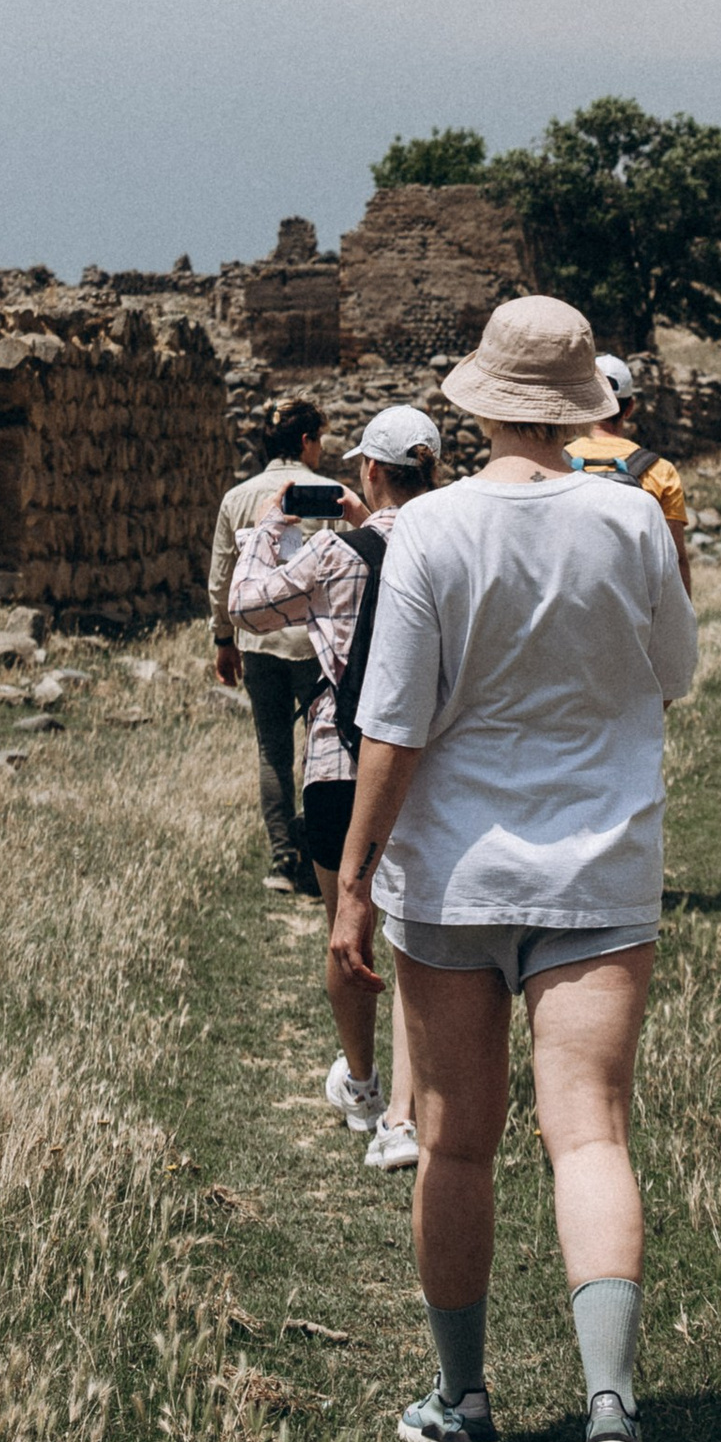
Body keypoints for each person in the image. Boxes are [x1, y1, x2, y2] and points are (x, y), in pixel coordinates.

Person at [331, 295, 698, 1442]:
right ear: (582, 404)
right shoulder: (632, 516)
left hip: (454, 873)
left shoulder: (431, 526)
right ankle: (611, 1405)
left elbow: (394, 723)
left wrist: (351, 880)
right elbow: (674, 672)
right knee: (587, 1135)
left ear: (479, 403)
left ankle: (462, 1397)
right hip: (598, 865)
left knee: (456, 1141)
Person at [223, 405, 440, 1169]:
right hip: (428, 765)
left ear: (369, 470)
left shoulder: (334, 553)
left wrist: (273, 526)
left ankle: (363, 1081)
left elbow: (248, 605)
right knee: (415, 939)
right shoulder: (452, 544)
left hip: (341, 759)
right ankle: (406, 1115)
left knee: (347, 929)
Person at [210, 401, 329, 892]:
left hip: (257, 640)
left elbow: (222, 578)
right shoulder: (328, 494)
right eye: (320, 438)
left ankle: (282, 858)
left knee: (271, 751)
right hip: (314, 641)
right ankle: (319, 856)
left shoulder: (237, 498)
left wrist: (223, 639)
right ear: (305, 442)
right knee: (322, 751)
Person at [566, 357, 693, 584]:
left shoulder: (556, 463)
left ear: (582, 403)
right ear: (630, 408)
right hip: (633, 602)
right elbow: (674, 559)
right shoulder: (661, 471)